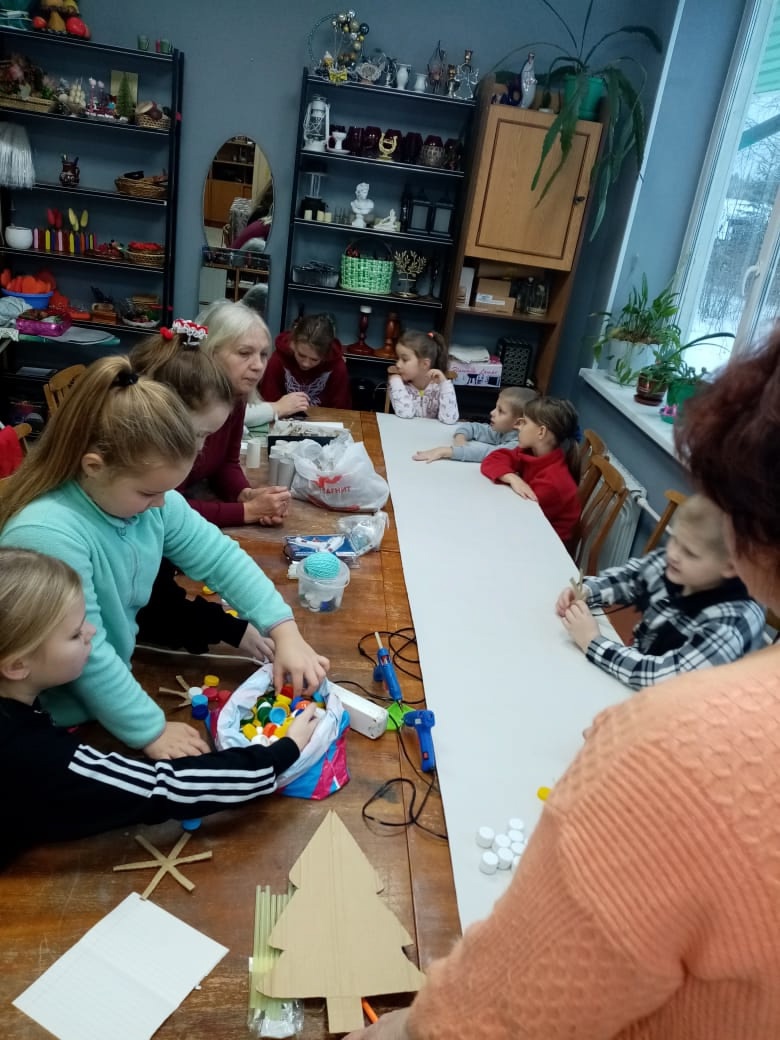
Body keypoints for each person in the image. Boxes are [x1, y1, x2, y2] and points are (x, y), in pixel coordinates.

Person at [343, 327, 780, 1040]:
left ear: (742, 549)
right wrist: (585, 589)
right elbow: (627, 578)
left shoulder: (703, 697)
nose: (675, 558)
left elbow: (515, 1003)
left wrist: (400, 1030)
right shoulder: (689, 594)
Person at [0, 355, 328, 761]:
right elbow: (93, 653)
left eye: (167, 491)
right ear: (94, 467)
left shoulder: (149, 501)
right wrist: (148, 729)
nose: (160, 505)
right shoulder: (48, 534)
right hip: (49, 719)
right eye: (148, 492)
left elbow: (220, 558)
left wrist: (284, 630)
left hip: (106, 701)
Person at [0, 546, 321, 866]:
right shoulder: (33, 755)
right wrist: (281, 752)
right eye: (75, 634)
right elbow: (166, 787)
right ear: (16, 666)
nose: (92, 631)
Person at [130, 320, 274, 657]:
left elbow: (220, 558)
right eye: (199, 436)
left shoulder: (152, 495)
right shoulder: (74, 530)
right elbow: (146, 614)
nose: (200, 451)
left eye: (263, 354)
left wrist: (279, 625)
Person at [555, 494, 765, 690]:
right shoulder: (679, 565)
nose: (672, 554)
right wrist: (587, 591)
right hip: (635, 674)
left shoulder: (732, 622)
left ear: (730, 567)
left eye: (689, 553)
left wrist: (592, 641)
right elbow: (631, 579)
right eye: (674, 539)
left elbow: (666, 678)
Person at [183, 300, 291, 527]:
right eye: (244, 353)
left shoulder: (236, 395)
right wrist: (247, 511)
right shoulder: (180, 404)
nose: (258, 365)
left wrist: (244, 494)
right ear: (210, 352)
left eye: (263, 354)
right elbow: (164, 505)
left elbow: (225, 463)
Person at [480, 395, 580, 543]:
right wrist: (513, 478)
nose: (517, 427)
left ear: (541, 432)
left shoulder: (553, 482)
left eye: (524, 422)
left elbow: (520, 515)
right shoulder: (531, 453)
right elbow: (493, 458)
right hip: (528, 531)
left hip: (545, 545)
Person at [412, 386, 536, 463]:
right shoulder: (504, 431)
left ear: (518, 423)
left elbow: (490, 453)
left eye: (500, 411)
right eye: (496, 407)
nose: (492, 412)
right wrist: (460, 437)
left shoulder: (517, 445)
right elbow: (474, 427)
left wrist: (446, 451)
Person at [259, 313, 352, 410]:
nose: (305, 364)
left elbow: (341, 409)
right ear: (293, 344)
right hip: (281, 416)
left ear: (325, 355)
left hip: (325, 418)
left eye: (314, 359)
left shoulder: (337, 367)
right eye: (301, 355)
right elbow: (268, 405)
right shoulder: (277, 361)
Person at [387, 329, 459, 424]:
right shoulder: (398, 386)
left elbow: (449, 419)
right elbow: (406, 414)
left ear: (424, 364)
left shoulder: (440, 388)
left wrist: (444, 384)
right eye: (398, 358)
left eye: (404, 359)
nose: (398, 364)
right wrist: (396, 382)